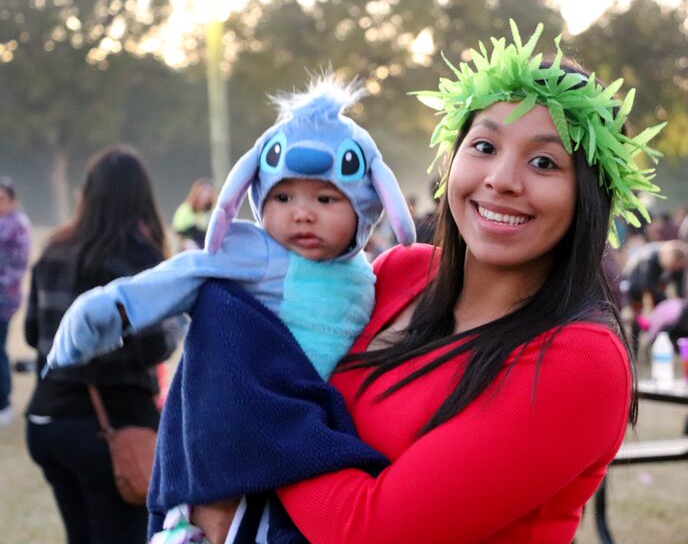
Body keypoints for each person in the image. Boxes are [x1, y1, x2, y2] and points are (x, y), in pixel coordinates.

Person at [185, 20, 665, 544]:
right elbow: (252, 348)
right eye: (484, 146)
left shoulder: (580, 360)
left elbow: (369, 530)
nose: (502, 178)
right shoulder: (399, 273)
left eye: (544, 161)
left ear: (588, 199)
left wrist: (243, 433)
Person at [47, 77, 416, 540]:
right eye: (283, 197)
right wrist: (114, 307)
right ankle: (185, 523)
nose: (302, 214)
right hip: (248, 422)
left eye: (325, 199)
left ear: (367, 206)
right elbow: (190, 271)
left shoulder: (365, 273)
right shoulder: (258, 253)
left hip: (303, 428)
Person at [24, 146, 183, 544]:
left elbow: (32, 334)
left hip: (47, 421)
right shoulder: (136, 254)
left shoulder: (55, 248)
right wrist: (179, 320)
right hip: (109, 427)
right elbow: (151, 349)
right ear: (140, 195)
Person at [0, 176, 31, 425]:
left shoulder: (16, 226)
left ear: (13, 200)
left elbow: (16, 267)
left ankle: (4, 403)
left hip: (4, 300)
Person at [171, 179, 216, 250]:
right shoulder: (185, 210)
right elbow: (178, 231)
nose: (204, 198)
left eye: (207, 196)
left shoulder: (209, 214)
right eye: (202, 195)